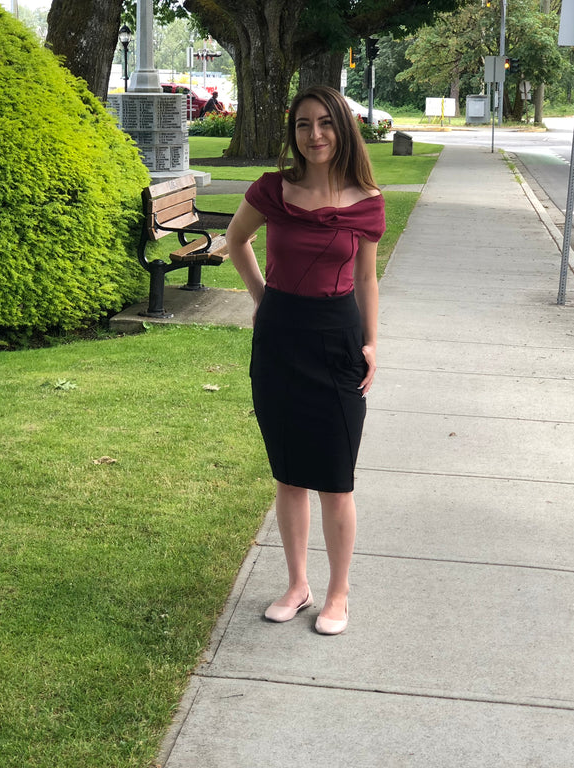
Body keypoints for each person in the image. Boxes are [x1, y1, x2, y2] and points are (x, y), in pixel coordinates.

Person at [226, 86, 385, 636]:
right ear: (292, 132)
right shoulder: (274, 190)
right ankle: (298, 585)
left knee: (336, 480)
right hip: (280, 338)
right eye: (302, 124)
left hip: (337, 338)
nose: (314, 134)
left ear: (342, 128)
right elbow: (236, 239)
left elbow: (366, 277)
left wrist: (370, 343)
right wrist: (263, 298)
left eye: (324, 123)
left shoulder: (366, 200)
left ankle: (338, 593)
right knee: (289, 475)